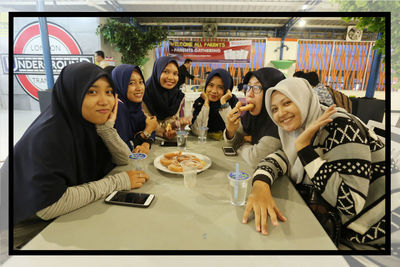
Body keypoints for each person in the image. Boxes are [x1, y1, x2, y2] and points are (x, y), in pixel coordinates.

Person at [12, 62, 149, 249]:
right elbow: (50, 206)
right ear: (72, 94)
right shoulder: (49, 136)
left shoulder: (89, 123)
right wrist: (117, 182)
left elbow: (124, 159)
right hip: (24, 229)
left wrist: (106, 129)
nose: (105, 101)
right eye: (92, 92)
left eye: (109, 92)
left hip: (66, 220)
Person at [243, 77, 386, 250]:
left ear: (303, 99)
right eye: (274, 109)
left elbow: (351, 204)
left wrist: (304, 149)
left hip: (365, 235)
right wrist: (260, 185)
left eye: (287, 103)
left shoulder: (341, 126)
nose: (280, 113)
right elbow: (281, 158)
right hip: (330, 224)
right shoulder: (302, 125)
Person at [223, 67, 285, 168]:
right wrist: (230, 131)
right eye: (248, 87)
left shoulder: (278, 122)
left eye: (257, 88)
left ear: (271, 94)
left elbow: (255, 159)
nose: (249, 94)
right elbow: (232, 142)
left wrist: (241, 143)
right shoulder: (250, 116)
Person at [111, 64, 158, 154]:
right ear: (120, 85)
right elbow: (124, 149)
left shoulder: (135, 107)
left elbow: (152, 129)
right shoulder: (117, 107)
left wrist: (146, 144)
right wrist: (146, 133)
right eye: (131, 83)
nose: (139, 88)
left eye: (141, 82)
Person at [142, 56, 191, 140]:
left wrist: (175, 124)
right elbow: (148, 123)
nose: (171, 77)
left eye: (175, 74)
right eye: (165, 72)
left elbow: (171, 121)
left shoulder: (177, 96)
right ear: (157, 72)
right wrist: (163, 132)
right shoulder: (144, 95)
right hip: (146, 141)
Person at [191, 69, 238, 140]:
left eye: (220, 87)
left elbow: (235, 132)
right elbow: (198, 132)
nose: (214, 91)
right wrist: (206, 104)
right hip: (204, 144)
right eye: (211, 85)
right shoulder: (200, 102)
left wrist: (224, 104)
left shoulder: (232, 102)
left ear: (227, 90)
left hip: (226, 144)